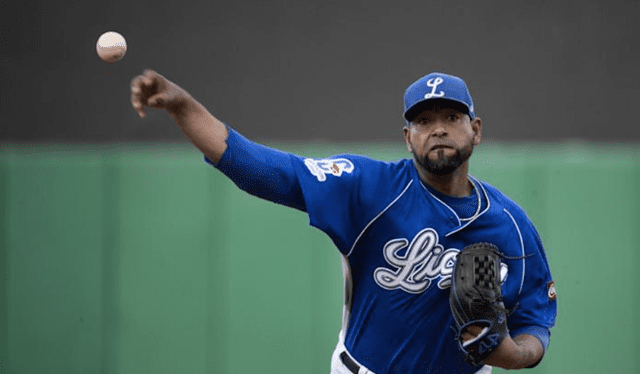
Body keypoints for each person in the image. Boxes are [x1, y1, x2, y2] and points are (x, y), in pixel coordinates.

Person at [130, 70, 557, 374]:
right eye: (424, 120)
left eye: (451, 118)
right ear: (407, 137)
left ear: (475, 129)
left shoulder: (509, 225)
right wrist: (183, 106)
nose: (438, 129)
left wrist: (513, 354)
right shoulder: (368, 188)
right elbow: (263, 170)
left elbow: (537, 315)